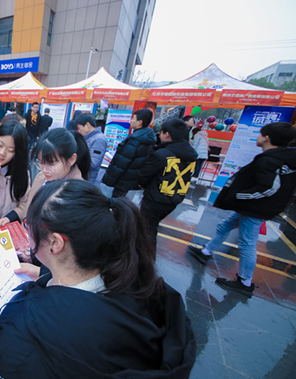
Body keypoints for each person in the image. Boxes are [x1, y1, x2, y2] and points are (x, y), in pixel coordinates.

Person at [0, 179, 196, 379]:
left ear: (55, 242)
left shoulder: (30, 331)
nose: (27, 232)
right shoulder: (141, 285)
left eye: (29, 226)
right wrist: (47, 274)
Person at [188, 122, 296, 297]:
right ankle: (206, 251)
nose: (258, 137)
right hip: (253, 207)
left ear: (267, 137)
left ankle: (244, 281)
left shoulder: (270, 160)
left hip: (255, 209)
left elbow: (269, 188)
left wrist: (240, 195)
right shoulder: (281, 157)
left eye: (260, 133)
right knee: (224, 226)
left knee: (247, 243)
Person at [138, 119, 197, 255]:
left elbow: (144, 176)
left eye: (161, 132)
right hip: (174, 198)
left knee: (148, 230)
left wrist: (143, 185)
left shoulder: (161, 155)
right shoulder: (191, 155)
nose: (159, 135)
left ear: (167, 134)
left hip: (155, 199)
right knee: (151, 227)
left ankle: (147, 260)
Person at [20, 128, 90, 221]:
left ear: (71, 160)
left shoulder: (80, 194)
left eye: (51, 163)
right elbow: (27, 211)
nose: (44, 169)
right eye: (40, 162)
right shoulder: (41, 178)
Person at [103, 108, 156, 198]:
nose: (131, 121)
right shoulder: (147, 137)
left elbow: (121, 164)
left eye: (133, 118)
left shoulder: (135, 140)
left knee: (117, 203)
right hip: (132, 181)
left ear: (140, 122)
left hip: (123, 181)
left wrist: (109, 180)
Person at [75, 113, 107, 186]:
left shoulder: (99, 139)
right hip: (82, 177)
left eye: (79, 128)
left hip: (88, 179)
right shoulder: (88, 137)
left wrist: (75, 158)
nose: (79, 131)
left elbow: (93, 163)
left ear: (87, 125)